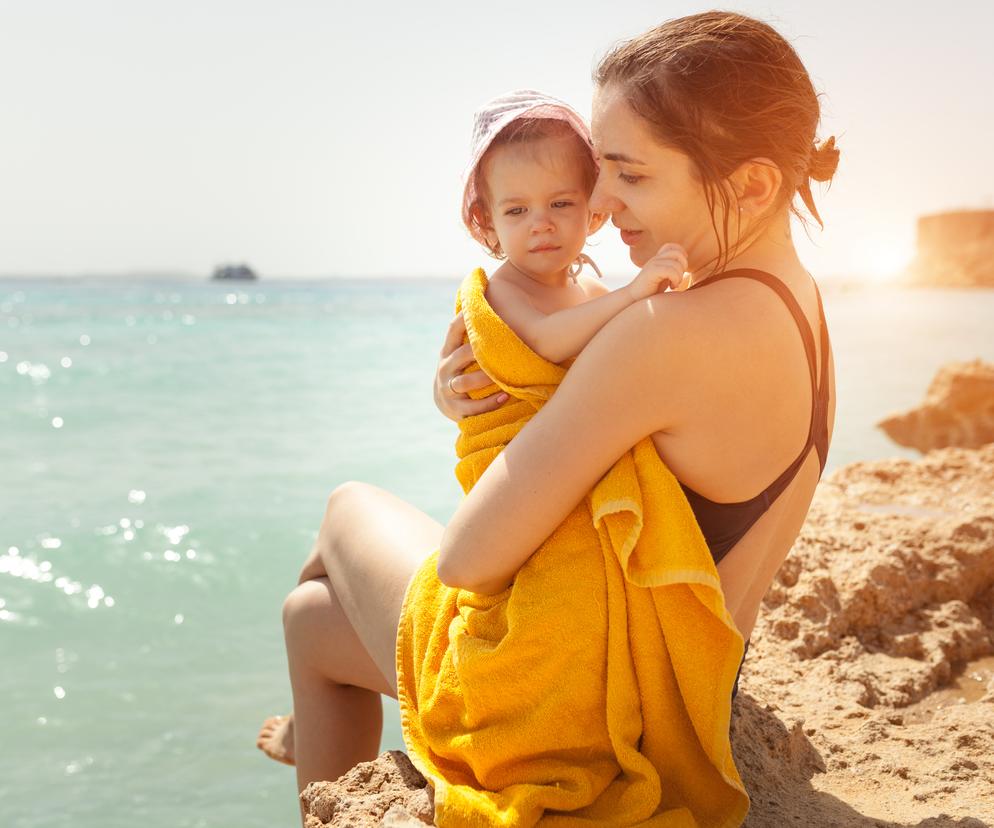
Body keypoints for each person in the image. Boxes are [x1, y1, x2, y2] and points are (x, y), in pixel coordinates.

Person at [257, 10, 838, 824]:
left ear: (749, 184)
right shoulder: (796, 300)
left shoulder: (663, 334)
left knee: (345, 508)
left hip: (598, 705)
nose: (598, 201)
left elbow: (467, 559)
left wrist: (482, 398)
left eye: (631, 176)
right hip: (678, 680)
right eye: (603, 169)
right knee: (310, 622)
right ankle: (314, 745)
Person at [456, 88, 688, 365]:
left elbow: (632, 334)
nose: (541, 225)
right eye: (517, 210)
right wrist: (632, 292)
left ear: (593, 209)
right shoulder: (503, 291)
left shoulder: (591, 291)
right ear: (487, 221)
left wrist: (669, 296)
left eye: (560, 204)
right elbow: (545, 342)